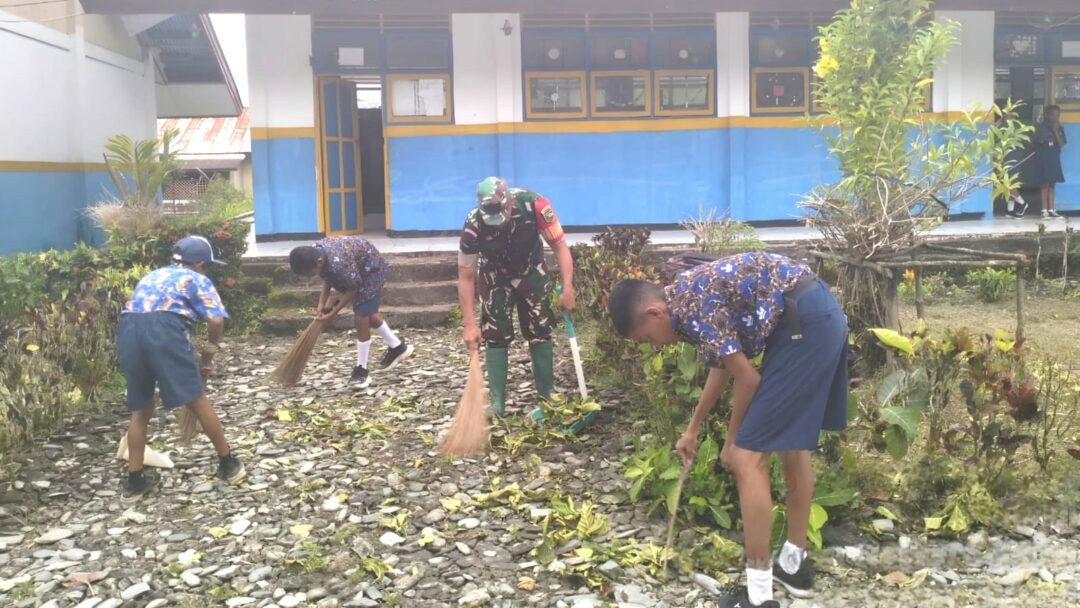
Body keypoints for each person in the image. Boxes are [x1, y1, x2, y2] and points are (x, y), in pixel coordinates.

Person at [608, 253, 849, 608]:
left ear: (654, 313)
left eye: (647, 339)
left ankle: (758, 596)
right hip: (814, 316)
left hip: (804, 326)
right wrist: (692, 429)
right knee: (789, 445)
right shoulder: (686, 298)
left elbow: (748, 379)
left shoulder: (692, 307)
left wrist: (734, 440)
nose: (654, 345)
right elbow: (725, 364)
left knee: (748, 459)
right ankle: (793, 566)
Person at [117, 236, 246, 503]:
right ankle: (228, 464)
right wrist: (211, 348)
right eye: (207, 266)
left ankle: (135, 481)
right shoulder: (197, 279)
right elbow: (216, 319)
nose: (206, 270)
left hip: (129, 330)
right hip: (164, 331)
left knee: (140, 409)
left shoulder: (153, 276)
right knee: (196, 399)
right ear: (198, 264)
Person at [457, 177, 575, 417]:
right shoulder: (473, 225)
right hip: (494, 275)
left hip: (532, 271)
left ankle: (547, 392)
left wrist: (568, 287)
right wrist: (469, 324)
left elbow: (560, 247)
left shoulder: (536, 206)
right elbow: (465, 276)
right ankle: (498, 402)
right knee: (495, 335)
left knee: (540, 329)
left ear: (510, 202)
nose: (496, 224)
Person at [288, 237, 413, 388]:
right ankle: (398, 347)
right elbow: (327, 279)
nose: (310, 277)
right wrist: (321, 305)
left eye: (310, 274)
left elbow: (352, 290)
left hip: (371, 270)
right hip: (355, 268)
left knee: (361, 317)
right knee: (367, 313)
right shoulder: (316, 254)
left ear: (319, 262)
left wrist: (332, 314)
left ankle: (362, 371)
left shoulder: (340, 263)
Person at [1035, 104, 1066, 219]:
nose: (1056, 118)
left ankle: (1051, 209)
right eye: (1053, 115)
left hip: (1054, 156)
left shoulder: (1059, 128)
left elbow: (1061, 143)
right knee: (1045, 183)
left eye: (1058, 115)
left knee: (1052, 183)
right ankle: (1044, 210)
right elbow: (1036, 143)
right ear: (1047, 115)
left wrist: (1055, 130)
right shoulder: (1041, 127)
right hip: (1043, 156)